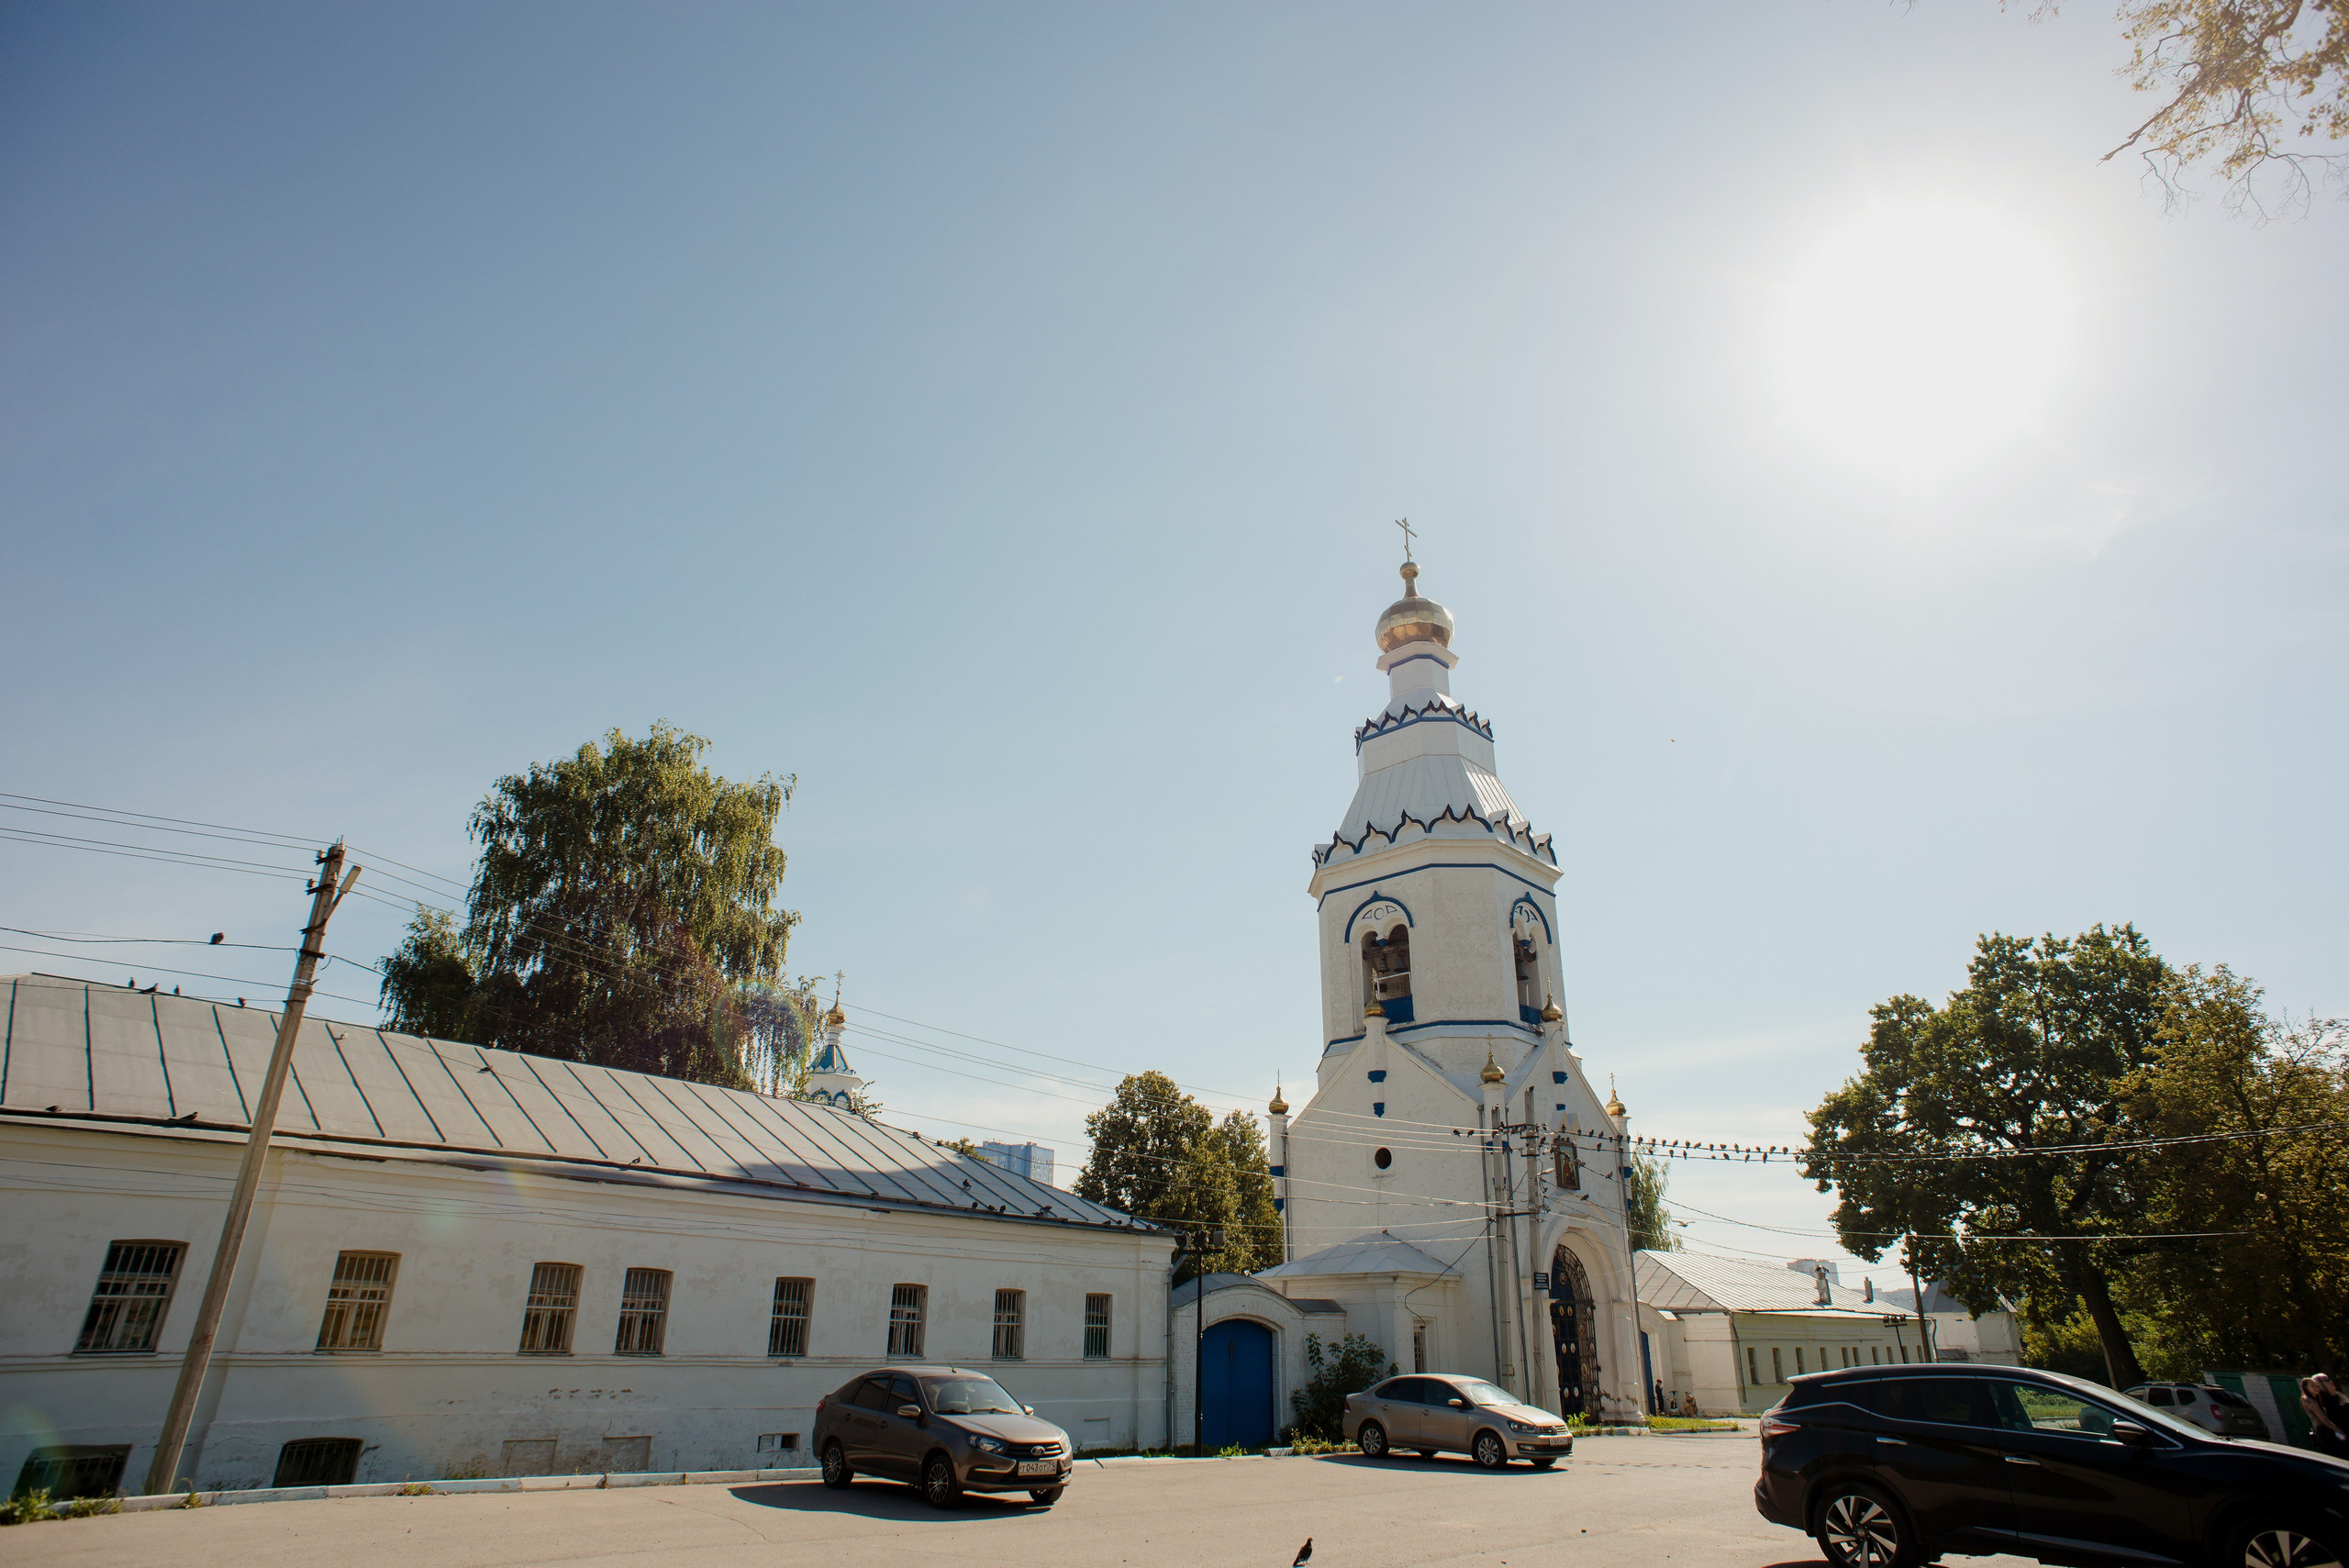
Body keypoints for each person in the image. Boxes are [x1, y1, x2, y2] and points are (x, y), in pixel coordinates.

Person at [2300, 1377, 2346, 1454]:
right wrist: (2338, 1430)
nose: (2316, 1388)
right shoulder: (2309, 1401)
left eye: (2317, 1386)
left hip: (2327, 1428)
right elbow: (2323, 1419)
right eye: (2312, 1386)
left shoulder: (2316, 1399)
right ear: (2306, 1388)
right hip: (2323, 1430)